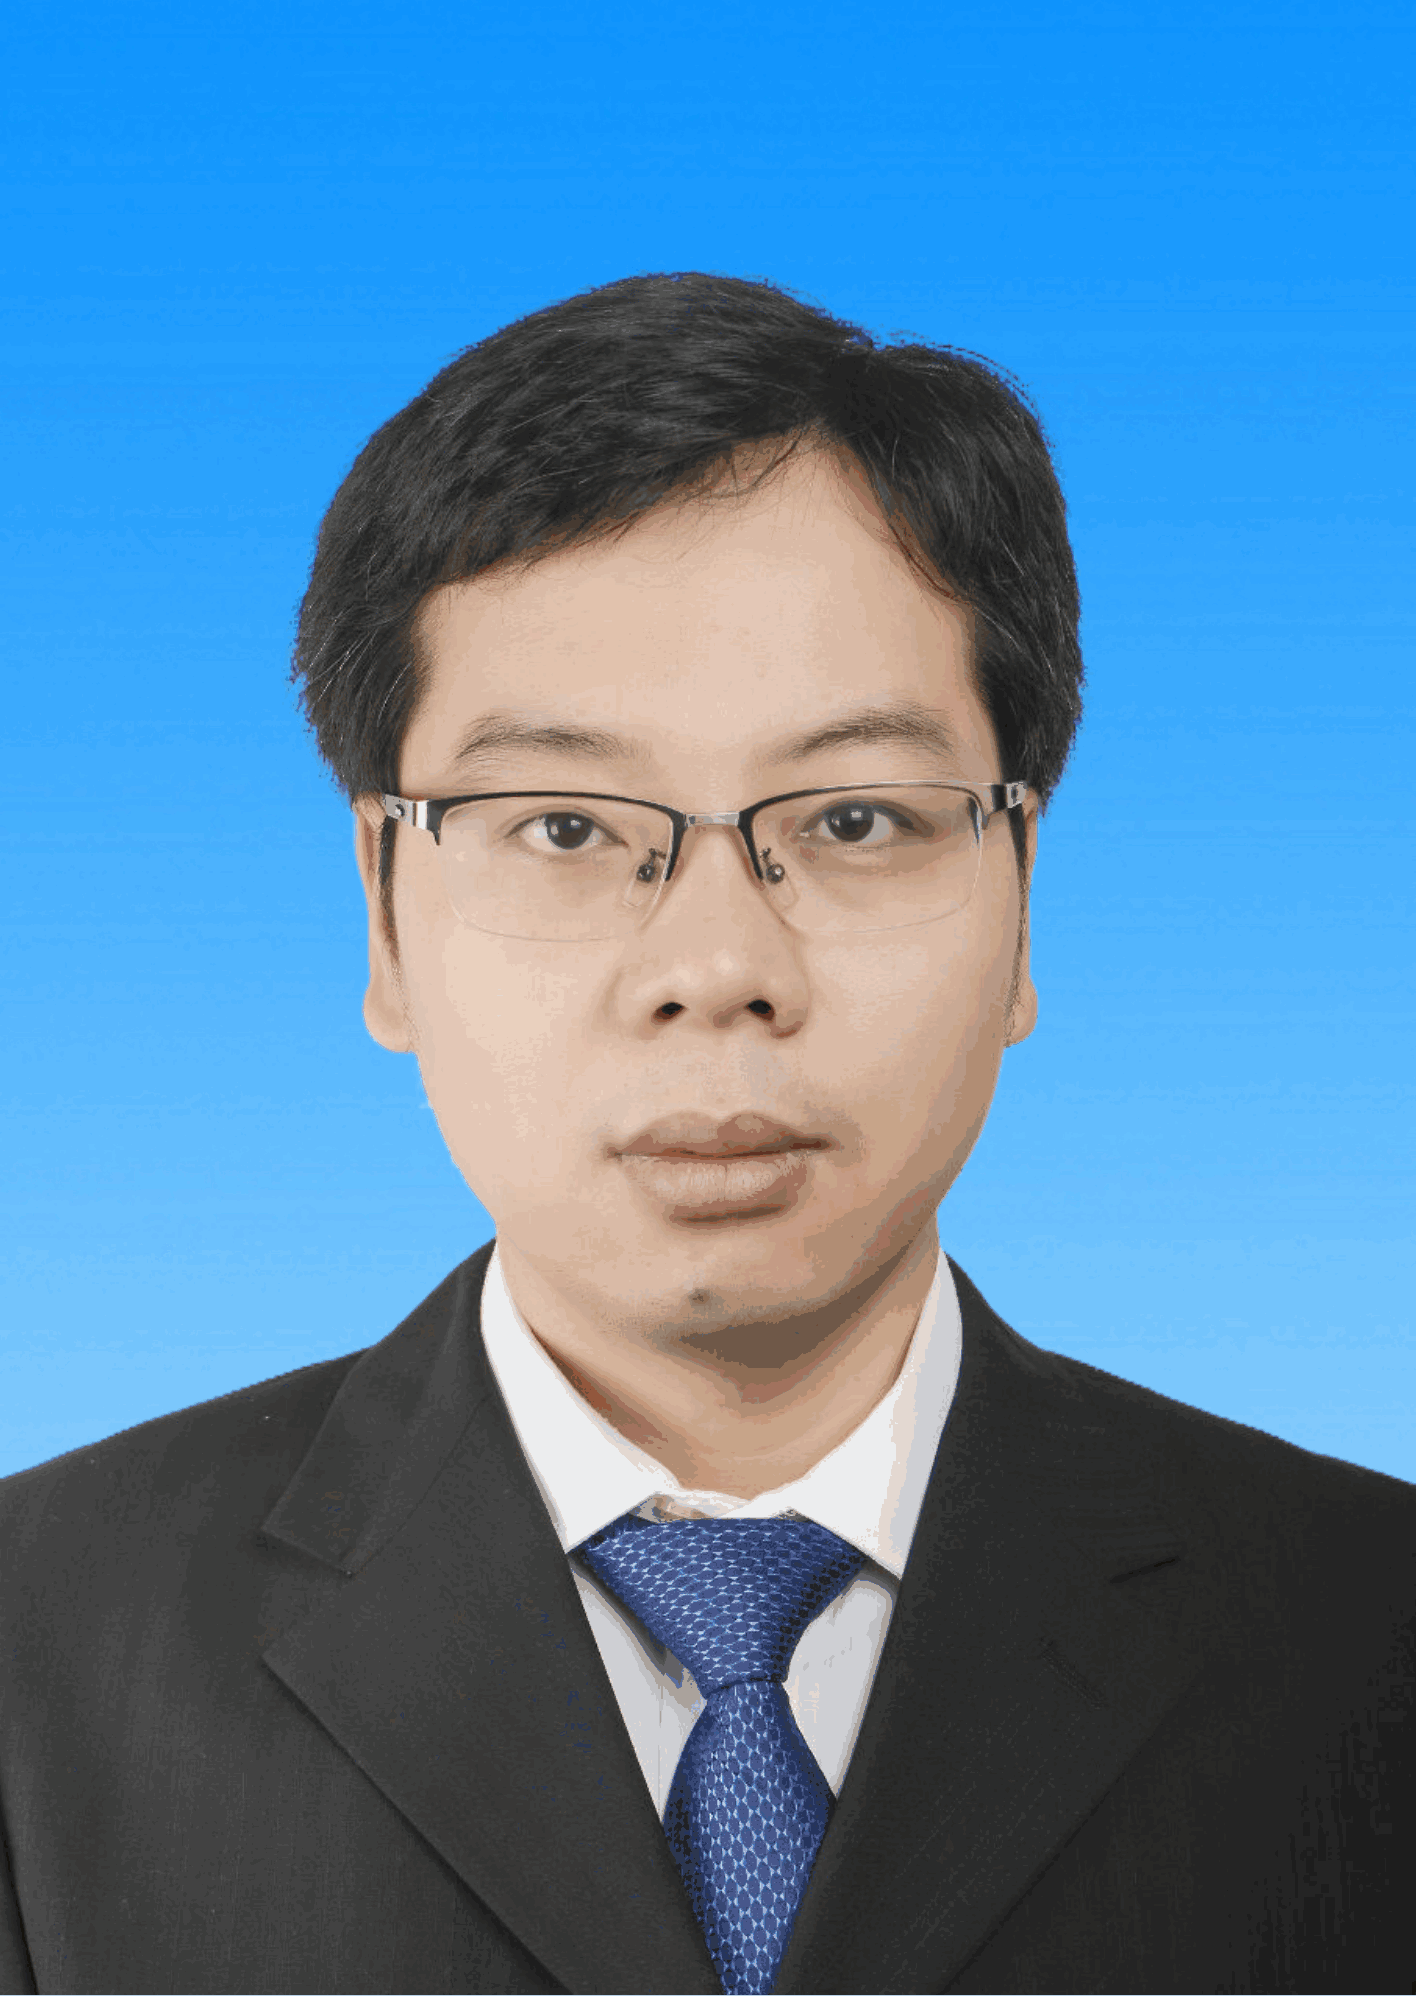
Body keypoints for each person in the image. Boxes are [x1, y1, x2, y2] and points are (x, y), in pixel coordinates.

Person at [0, 271, 1409, 1996]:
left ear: (1023, 902)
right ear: (383, 915)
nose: (718, 967)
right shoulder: (35, 1646)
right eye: (565, 827)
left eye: (858, 818)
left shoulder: (1370, 1632)